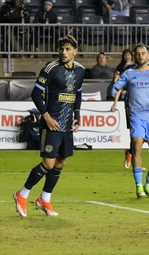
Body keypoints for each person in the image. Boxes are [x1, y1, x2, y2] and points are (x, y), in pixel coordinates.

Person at [13, 35, 84, 217]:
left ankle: (44, 199)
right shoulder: (50, 69)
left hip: (67, 125)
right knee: (48, 162)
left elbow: (77, 94)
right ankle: (22, 194)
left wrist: (77, 116)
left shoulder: (81, 71)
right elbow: (36, 94)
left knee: (60, 162)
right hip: (51, 124)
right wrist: (46, 117)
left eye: (68, 49)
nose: (63, 52)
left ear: (75, 52)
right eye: (61, 48)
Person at [110, 42, 149, 199]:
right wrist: (115, 84)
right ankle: (139, 186)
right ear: (134, 56)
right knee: (137, 146)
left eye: (143, 53)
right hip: (136, 116)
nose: (140, 56)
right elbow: (113, 90)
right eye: (137, 53)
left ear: (148, 56)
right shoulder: (129, 74)